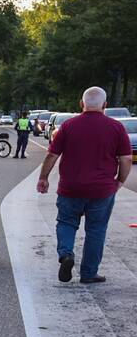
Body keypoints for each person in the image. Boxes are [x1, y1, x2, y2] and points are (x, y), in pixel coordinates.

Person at [36, 86, 131, 283]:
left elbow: (52, 155)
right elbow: (126, 160)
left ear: (82, 104)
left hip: (70, 188)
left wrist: (43, 178)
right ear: (105, 105)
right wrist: (120, 181)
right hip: (102, 190)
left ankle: (66, 254)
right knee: (96, 230)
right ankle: (88, 273)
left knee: (66, 223)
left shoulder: (68, 126)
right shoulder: (116, 128)